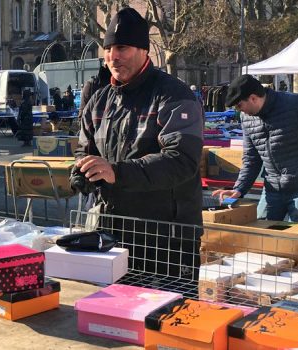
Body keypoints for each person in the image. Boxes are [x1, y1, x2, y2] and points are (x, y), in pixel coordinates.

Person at [73, 8, 204, 280]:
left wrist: (116, 172)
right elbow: (84, 149)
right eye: (108, 48)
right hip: (111, 231)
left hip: (165, 238)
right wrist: (83, 171)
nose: (113, 56)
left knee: (165, 316)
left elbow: (182, 160)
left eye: (122, 47)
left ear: (144, 50)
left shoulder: (173, 95)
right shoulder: (99, 100)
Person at [213, 75, 298, 223]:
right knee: (262, 232)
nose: (240, 111)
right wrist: (239, 189)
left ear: (253, 98)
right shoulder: (247, 119)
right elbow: (251, 159)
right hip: (273, 185)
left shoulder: (296, 104)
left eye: (239, 106)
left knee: (296, 237)